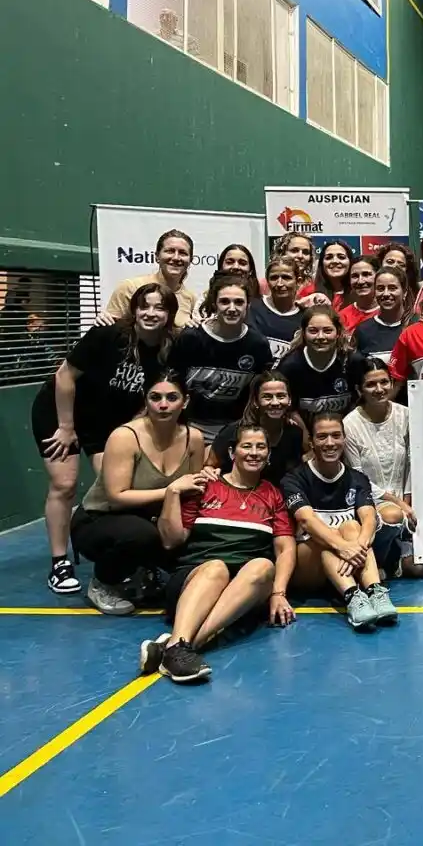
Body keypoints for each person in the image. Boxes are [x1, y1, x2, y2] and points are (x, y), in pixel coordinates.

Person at [30, 283, 179, 594]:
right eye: (144, 306)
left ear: (169, 315)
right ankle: (60, 562)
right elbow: (65, 376)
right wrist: (66, 427)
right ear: (134, 310)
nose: (150, 313)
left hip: (106, 425)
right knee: (65, 484)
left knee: (119, 489)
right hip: (60, 411)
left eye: (159, 308)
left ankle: (131, 559)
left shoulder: (167, 350)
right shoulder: (108, 335)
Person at [141, 424, 294, 683]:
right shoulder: (206, 485)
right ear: (232, 453)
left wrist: (279, 593)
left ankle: (177, 647)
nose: (254, 452)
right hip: (196, 577)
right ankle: (181, 648)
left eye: (261, 447)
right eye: (247, 446)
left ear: (268, 455)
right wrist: (173, 492)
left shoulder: (273, 494)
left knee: (263, 566)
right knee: (216, 568)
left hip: (244, 589)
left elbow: (285, 547)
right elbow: (171, 540)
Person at [70, 371, 208, 615]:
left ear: (185, 402)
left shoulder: (194, 438)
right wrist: (171, 490)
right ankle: (103, 582)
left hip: (153, 517)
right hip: (100, 518)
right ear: (146, 401)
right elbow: (117, 495)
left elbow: (191, 491)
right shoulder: (125, 436)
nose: (163, 405)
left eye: (172, 397)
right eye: (155, 397)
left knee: (195, 551)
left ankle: (144, 569)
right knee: (141, 536)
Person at [281, 413, 398, 630]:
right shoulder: (294, 479)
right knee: (325, 536)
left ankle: (374, 592)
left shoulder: (357, 478)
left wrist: (355, 548)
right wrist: (342, 547)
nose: (330, 443)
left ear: (344, 439)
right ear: (311, 442)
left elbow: (369, 518)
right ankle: (354, 596)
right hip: (309, 566)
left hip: (349, 560)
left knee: (353, 526)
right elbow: (306, 521)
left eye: (336, 436)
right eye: (322, 437)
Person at [343, 359, 423, 580]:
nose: (379, 389)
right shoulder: (349, 425)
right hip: (372, 501)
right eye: (371, 384)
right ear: (359, 389)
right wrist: (399, 504)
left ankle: (397, 553)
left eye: (384, 382)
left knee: (419, 569)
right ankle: (379, 558)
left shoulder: (406, 414)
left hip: (407, 499)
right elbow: (358, 477)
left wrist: (407, 500)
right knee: (392, 514)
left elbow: (413, 462)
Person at [169, 272, 273, 440]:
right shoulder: (191, 338)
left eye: (239, 302)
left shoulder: (258, 345)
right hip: (186, 427)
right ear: (214, 304)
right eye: (224, 302)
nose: (232, 308)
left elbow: (257, 393)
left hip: (234, 430)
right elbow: (172, 383)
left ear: (248, 305)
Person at [206, 371, 305, 485]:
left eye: (281, 396)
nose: (275, 402)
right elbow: (210, 465)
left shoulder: (294, 433)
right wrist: (209, 472)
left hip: (276, 497)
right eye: (267, 397)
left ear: (289, 400)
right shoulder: (233, 431)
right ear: (256, 401)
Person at [276, 306, 362, 423]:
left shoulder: (353, 362)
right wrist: (305, 435)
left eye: (327, 331)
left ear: (337, 333)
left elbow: (362, 402)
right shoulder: (290, 366)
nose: (320, 337)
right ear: (304, 334)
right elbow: (288, 409)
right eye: (313, 331)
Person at [101, 229, 198, 326]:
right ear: (157, 257)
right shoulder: (130, 287)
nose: (176, 257)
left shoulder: (191, 298)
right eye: (170, 251)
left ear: (190, 260)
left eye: (183, 253)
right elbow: (110, 329)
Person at [352, 266, 416, 369]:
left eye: (392, 288)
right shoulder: (363, 331)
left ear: (404, 292)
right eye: (380, 288)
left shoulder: (417, 325)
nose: (386, 294)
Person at [247, 257, 303, 365]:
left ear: (298, 281)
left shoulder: (305, 317)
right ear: (267, 281)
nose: (279, 283)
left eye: (286, 278)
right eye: (274, 278)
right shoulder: (251, 308)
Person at [271, 233, 326, 306]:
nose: (300, 256)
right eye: (294, 250)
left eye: (305, 252)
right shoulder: (266, 284)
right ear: (282, 252)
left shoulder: (315, 284)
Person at [338, 255, 380, 332]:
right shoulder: (342, 317)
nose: (360, 281)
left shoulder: (389, 313)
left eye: (366, 274)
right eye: (355, 276)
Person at [306, 240, 352, 309]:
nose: (335, 261)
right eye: (329, 257)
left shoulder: (360, 293)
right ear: (322, 263)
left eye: (341, 257)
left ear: (350, 262)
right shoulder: (309, 292)